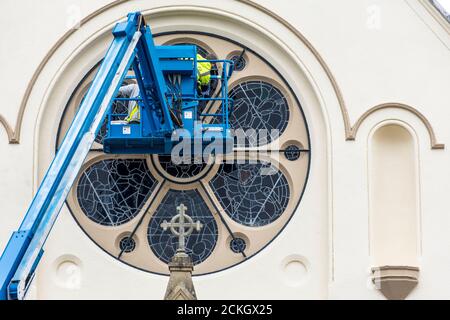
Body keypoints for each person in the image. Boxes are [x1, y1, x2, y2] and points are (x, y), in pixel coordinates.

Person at [119, 53, 213, 124]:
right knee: (194, 103)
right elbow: (205, 84)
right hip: (191, 84)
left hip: (184, 83)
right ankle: (196, 122)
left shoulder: (195, 56)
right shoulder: (206, 65)